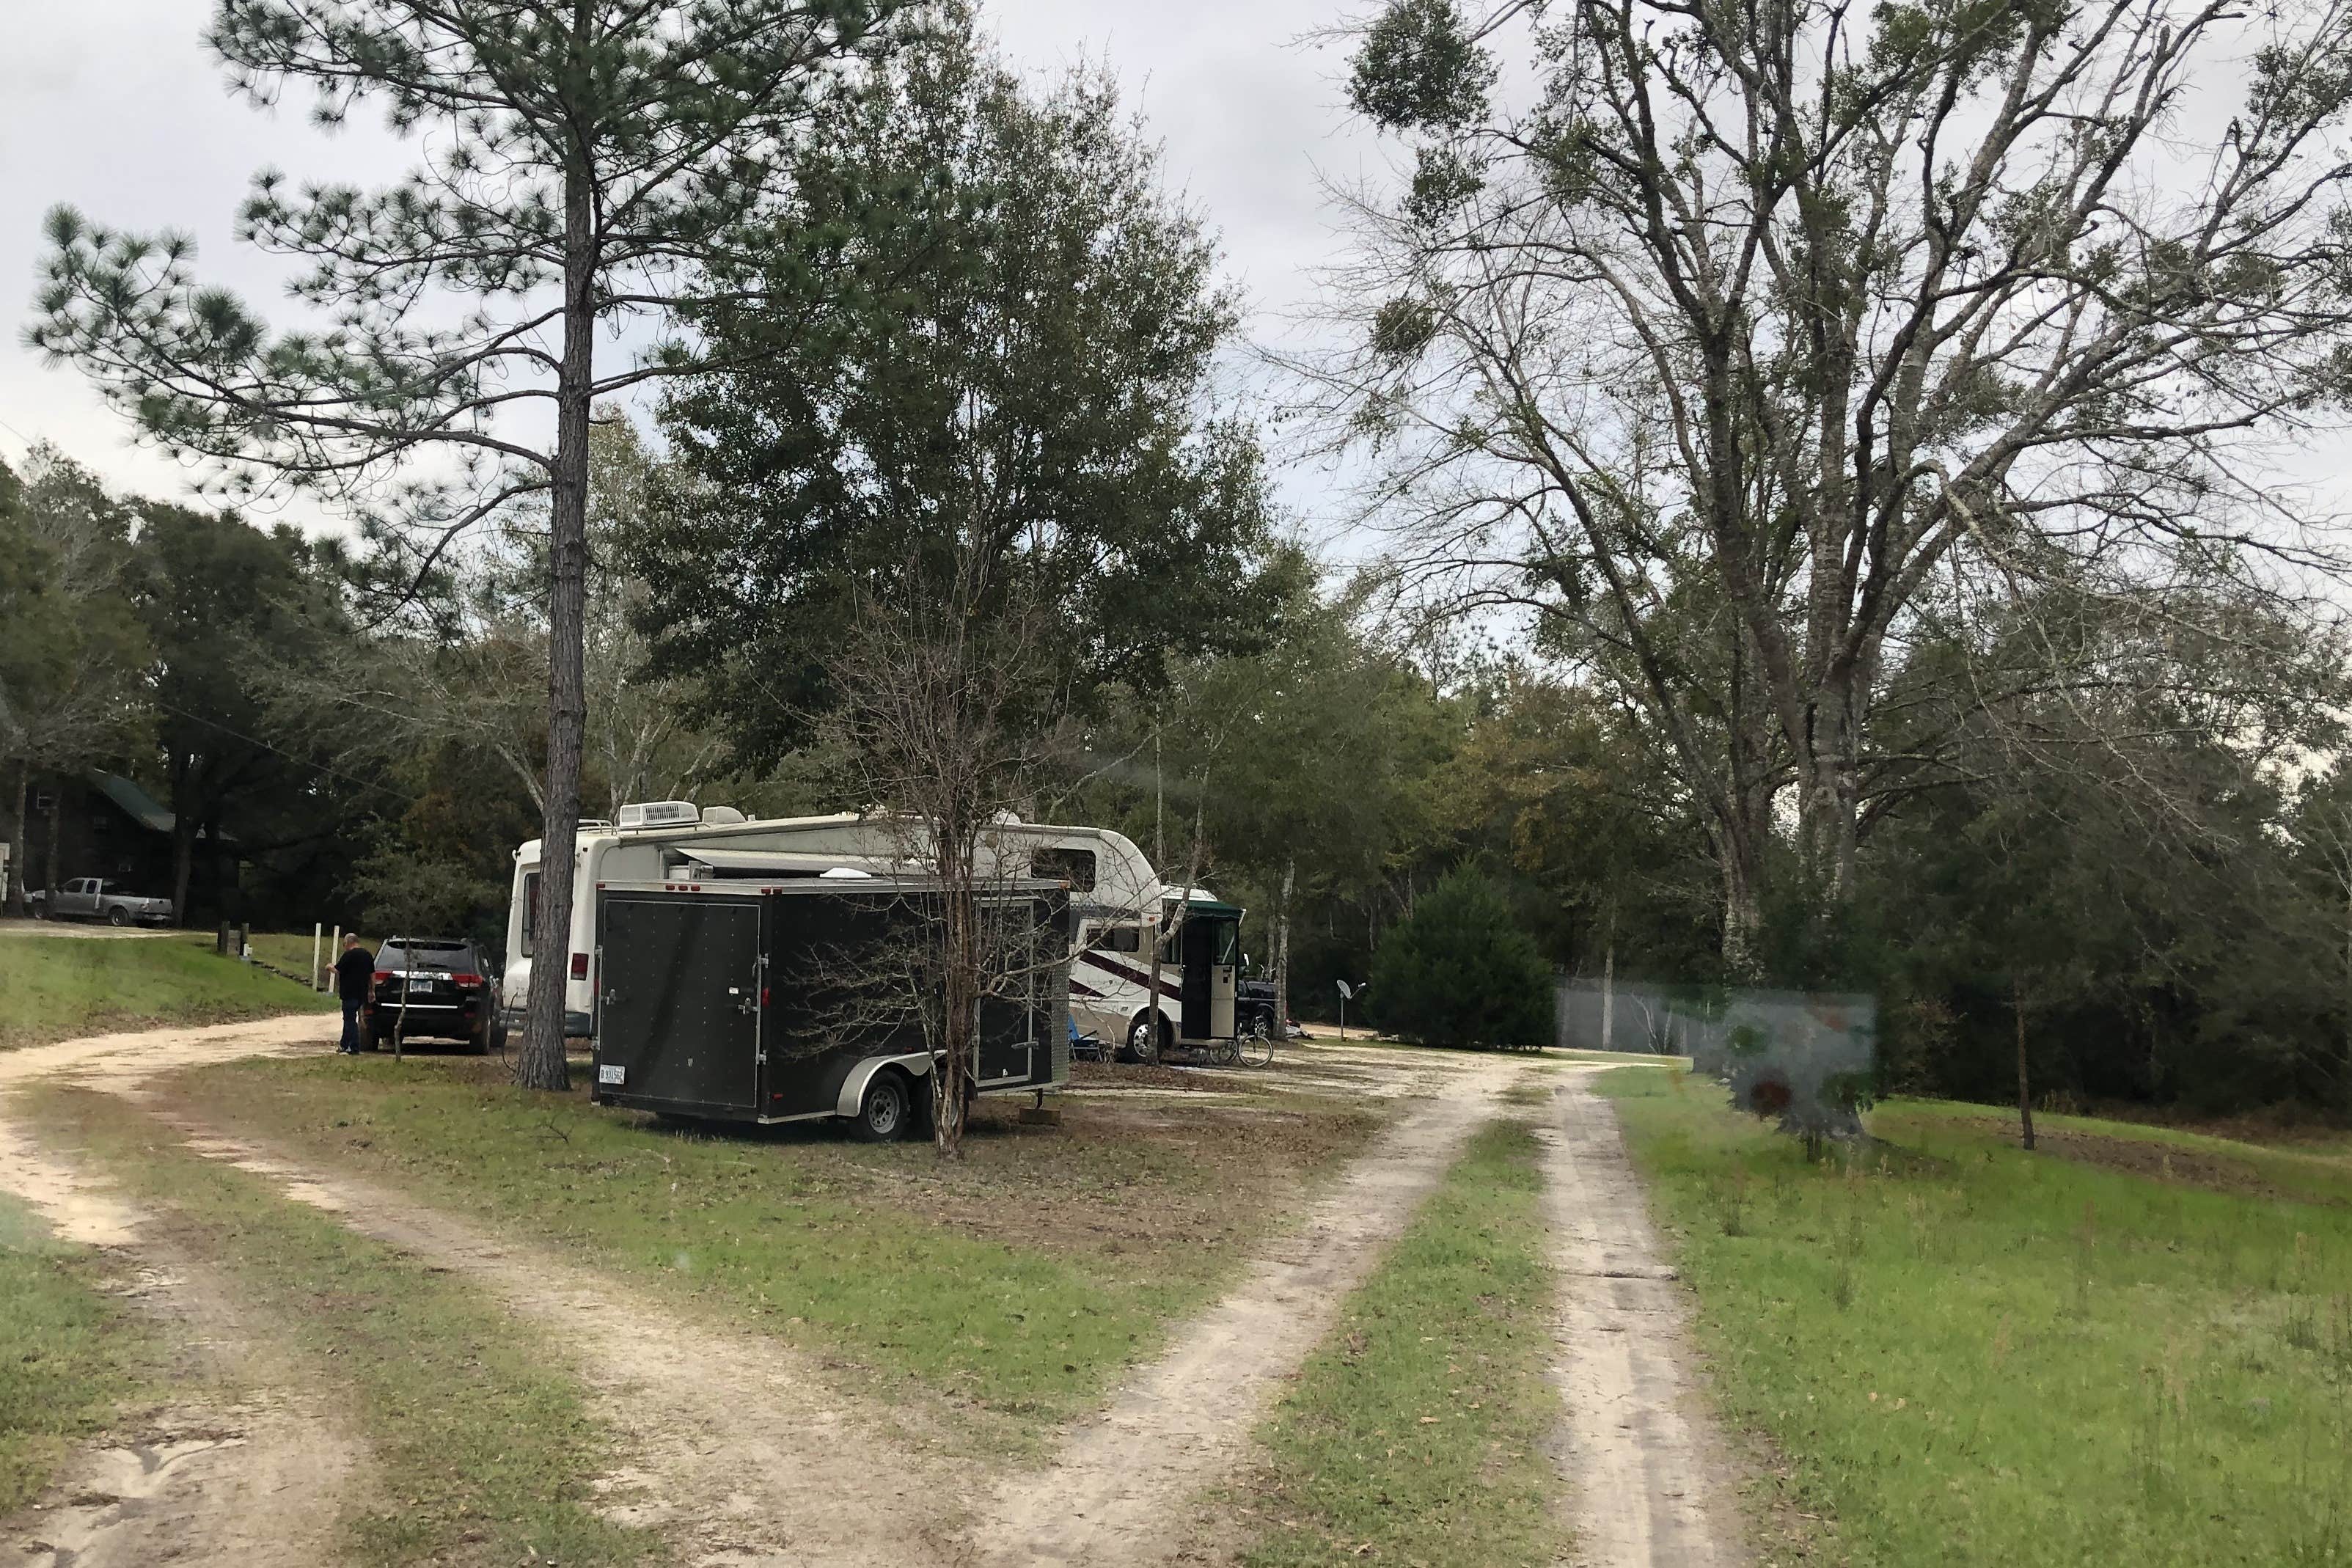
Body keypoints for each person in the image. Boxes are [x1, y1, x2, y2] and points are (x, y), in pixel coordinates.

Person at [334, 933, 375, 1055]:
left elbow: (337, 969)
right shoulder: (367, 955)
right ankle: (344, 1044)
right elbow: (372, 975)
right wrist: (372, 991)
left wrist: (329, 966)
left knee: (350, 1020)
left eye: (344, 944)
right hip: (361, 993)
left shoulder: (349, 955)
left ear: (348, 942)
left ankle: (355, 1047)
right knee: (350, 1018)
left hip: (349, 992)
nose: (344, 946)